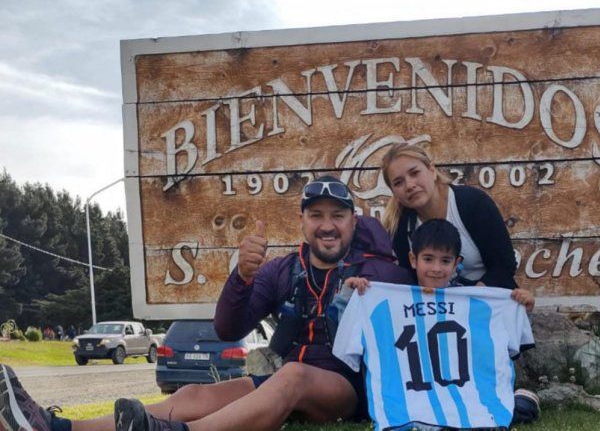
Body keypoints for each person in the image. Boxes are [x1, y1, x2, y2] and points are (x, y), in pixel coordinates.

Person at [0, 176, 412, 431]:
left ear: (353, 222)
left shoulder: (382, 272)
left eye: (338, 215)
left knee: (294, 375)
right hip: (287, 385)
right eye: (317, 214)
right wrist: (242, 277)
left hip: (348, 393)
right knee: (197, 392)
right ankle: (58, 426)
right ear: (302, 222)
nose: (327, 225)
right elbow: (227, 330)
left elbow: (428, 314)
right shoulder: (283, 269)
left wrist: (370, 294)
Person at [337, 218, 540, 428]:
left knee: (501, 408)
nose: (436, 268)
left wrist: (522, 310)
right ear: (413, 259)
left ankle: (515, 401)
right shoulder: (386, 298)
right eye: (428, 259)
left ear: (456, 262)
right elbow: (350, 329)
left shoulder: (477, 300)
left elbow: (507, 342)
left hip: (465, 394)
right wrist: (350, 296)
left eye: (445, 261)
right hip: (411, 398)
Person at [380, 142, 534, 311]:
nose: (409, 185)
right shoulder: (399, 226)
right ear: (393, 191)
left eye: (415, 173)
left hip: (489, 306)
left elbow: (504, 265)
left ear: (432, 170)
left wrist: (470, 301)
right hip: (436, 311)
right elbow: (408, 282)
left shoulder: (473, 203)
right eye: (398, 182)